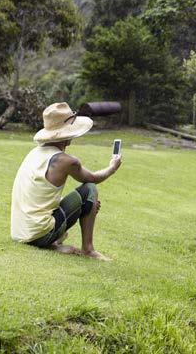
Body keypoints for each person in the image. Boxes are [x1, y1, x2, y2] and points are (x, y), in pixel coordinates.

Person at [10, 102, 122, 260]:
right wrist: (112, 167)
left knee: (86, 200)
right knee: (89, 189)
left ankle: (53, 245)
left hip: (20, 232)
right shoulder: (66, 161)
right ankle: (88, 250)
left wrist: (85, 206)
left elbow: (39, 196)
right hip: (40, 234)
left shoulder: (34, 153)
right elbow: (93, 179)